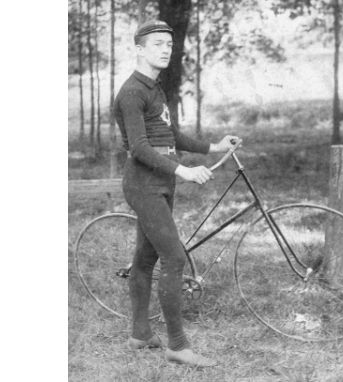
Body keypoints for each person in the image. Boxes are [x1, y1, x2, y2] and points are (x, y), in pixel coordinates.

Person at [113, 20, 239, 367]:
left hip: (160, 183)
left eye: (168, 43)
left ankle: (140, 334)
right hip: (142, 184)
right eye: (157, 44)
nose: (166, 49)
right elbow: (139, 147)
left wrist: (213, 146)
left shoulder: (155, 88)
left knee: (145, 258)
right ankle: (178, 346)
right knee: (174, 257)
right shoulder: (132, 92)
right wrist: (183, 170)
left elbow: (172, 136)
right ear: (139, 49)